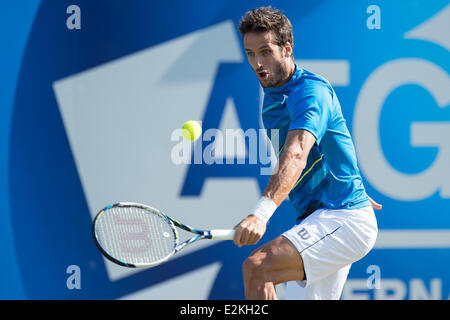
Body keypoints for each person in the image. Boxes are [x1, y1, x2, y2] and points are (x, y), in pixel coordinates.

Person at [232, 6, 381, 300]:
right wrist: (350, 184)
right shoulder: (274, 93)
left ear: (287, 49)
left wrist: (261, 214)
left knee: (257, 268)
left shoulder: (310, 93)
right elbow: (329, 147)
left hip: (342, 218)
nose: (258, 63)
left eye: (265, 51)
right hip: (324, 218)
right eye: (250, 54)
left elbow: (297, 153)